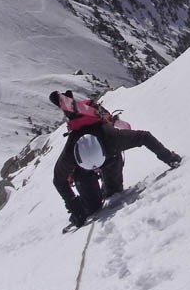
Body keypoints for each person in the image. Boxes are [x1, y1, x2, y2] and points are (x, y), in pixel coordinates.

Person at [50, 90, 182, 227]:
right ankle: (92, 198)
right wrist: (75, 206)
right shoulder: (71, 151)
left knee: (114, 193)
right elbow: (59, 180)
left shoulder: (111, 138)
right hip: (87, 167)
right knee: (92, 207)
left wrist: (169, 157)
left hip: (110, 155)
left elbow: (144, 137)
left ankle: (104, 190)